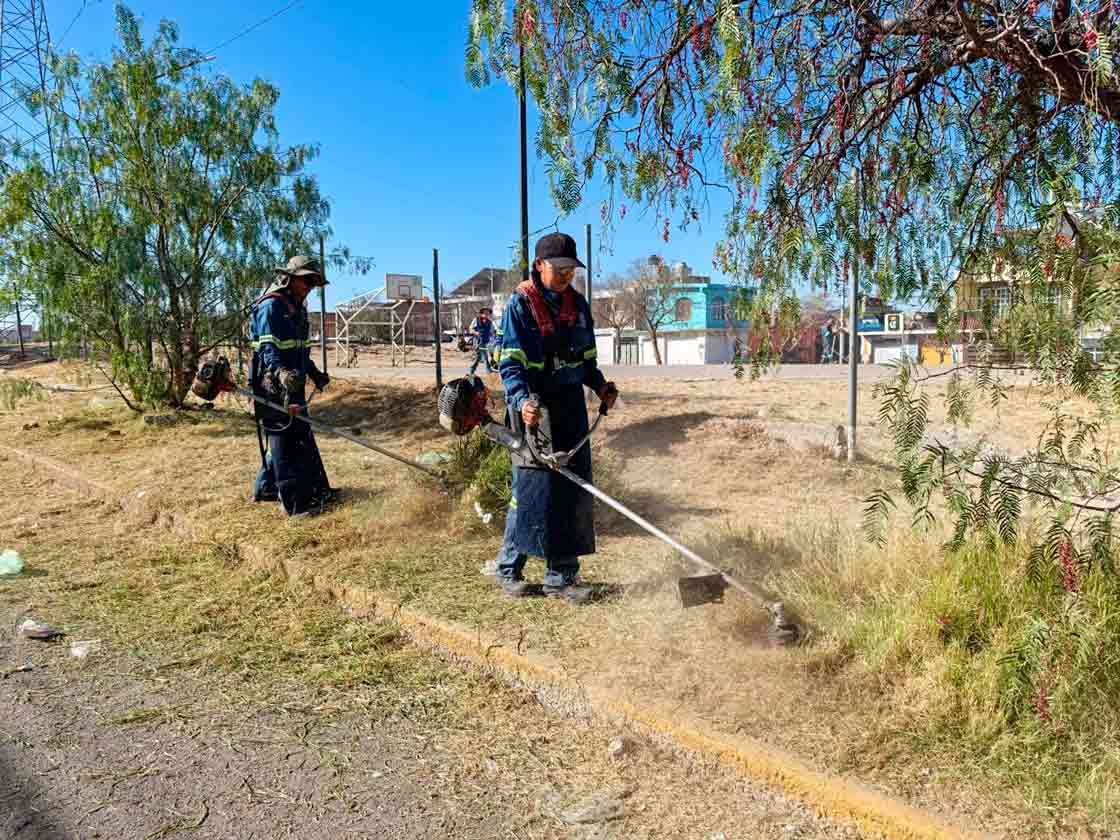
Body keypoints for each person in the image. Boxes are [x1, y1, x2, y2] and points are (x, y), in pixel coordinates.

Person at [492, 232, 619, 603]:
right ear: (539, 266)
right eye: (559, 269)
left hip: (571, 410)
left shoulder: (578, 306)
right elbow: (511, 364)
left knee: (571, 490)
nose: (566, 276)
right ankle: (508, 569)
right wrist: (520, 401)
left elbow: (586, 362)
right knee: (531, 491)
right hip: (533, 411)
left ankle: (561, 577)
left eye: (571, 270)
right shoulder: (520, 306)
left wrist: (600, 387)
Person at [249, 255, 334, 518]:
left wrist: (314, 373)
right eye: (306, 279)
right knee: (282, 440)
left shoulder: (298, 308)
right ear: (289, 278)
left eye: (314, 282)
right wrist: (280, 372)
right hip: (271, 384)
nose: (310, 285)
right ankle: (294, 505)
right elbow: (267, 347)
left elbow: (300, 350)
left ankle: (273, 489)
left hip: (293, 381)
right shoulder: (271, 307)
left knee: (301, 434)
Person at [467, 307, 495, 375]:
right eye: (485, 312)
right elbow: (470, 329)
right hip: (477, 341)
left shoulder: (490, 322)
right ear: (481, 313)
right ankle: (489, 371)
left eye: (488, 313)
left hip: (486, 342)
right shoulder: (476, 320)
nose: (486, 314)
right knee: (484, 356)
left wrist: (493, 338)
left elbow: (492, 332)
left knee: (479, 357)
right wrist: (476, 332)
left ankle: (472, 370)